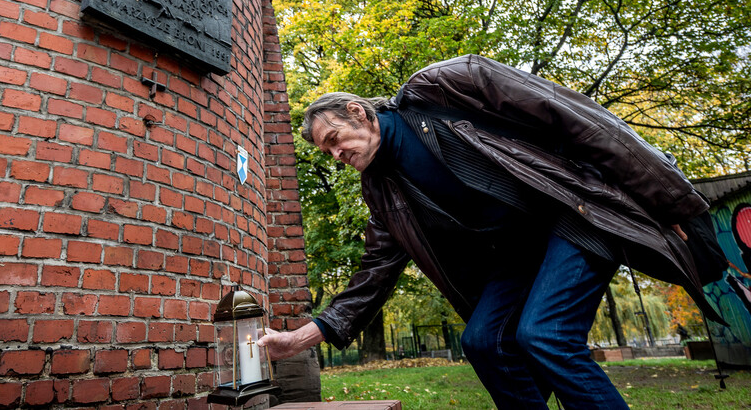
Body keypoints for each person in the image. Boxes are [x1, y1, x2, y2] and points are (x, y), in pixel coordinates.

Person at [257, 54, 727, 409]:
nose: (336, 155)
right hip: (515, 256)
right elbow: (375, 271)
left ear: (358, 113)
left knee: (544, 335)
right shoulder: (380, 189)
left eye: (334, 140)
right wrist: (299, 339)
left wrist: (668, 201)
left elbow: (573, 116)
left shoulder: (444, 86)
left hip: (575, 212)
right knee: (483, 340)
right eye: (327, 153)